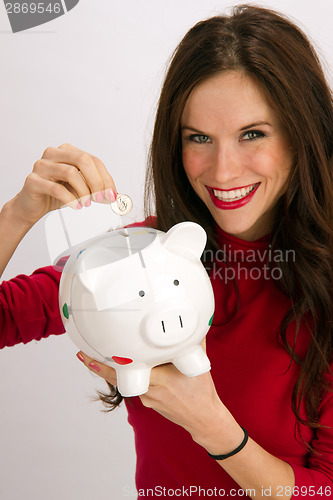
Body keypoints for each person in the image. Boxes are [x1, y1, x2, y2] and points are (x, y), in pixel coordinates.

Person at [1, 4, 333, 499]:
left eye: (252, 134)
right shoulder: (142, 258)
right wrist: (17, 216)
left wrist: (213, 427)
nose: (222, 172)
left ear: (301, 135)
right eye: (199, 137)